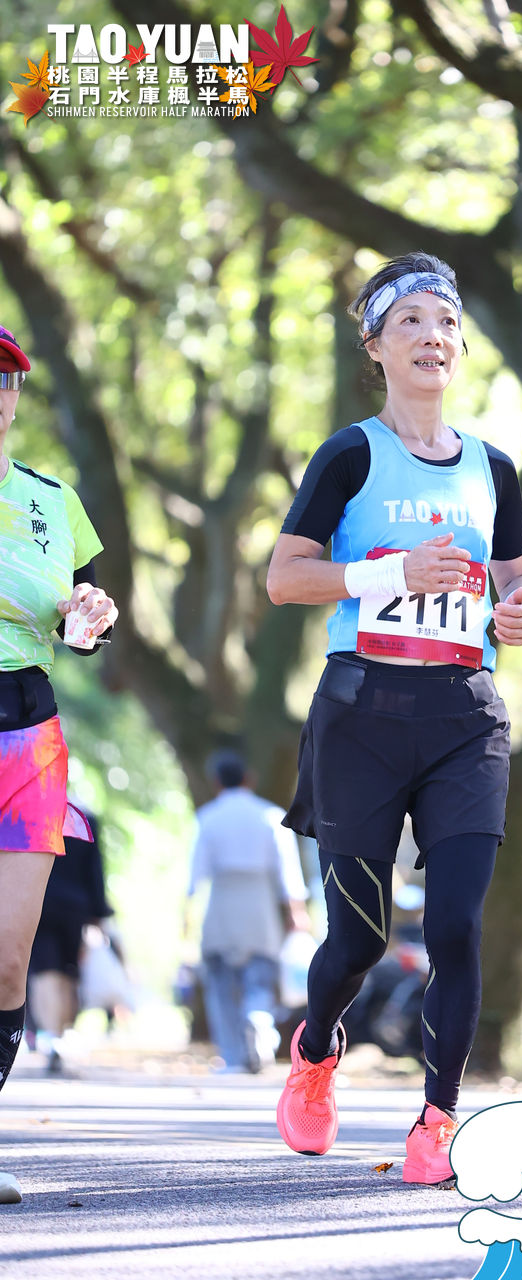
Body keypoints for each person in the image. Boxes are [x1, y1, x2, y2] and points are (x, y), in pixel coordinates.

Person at [266, 252, 522, 1184]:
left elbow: (518, 577)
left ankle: (438, 1120)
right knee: (359, 938)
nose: (433, 337)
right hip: (363, 716)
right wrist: (388, 573)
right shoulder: (350, 454)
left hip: (465, 715)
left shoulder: (493, 468)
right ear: (376, 347)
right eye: (411, 322)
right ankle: (315, 1051)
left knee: (457, 926)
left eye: (447, 322)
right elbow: (284, 577)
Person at [0, 325, 118, 1203]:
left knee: (9, 956)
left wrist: (90, 618)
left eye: (5, 380)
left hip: (27, 729)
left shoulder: (53, 500)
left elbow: (84, 616)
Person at [186, 750, 311, 1073]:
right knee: (260, 977)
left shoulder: (208, 817)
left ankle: (232, 1056)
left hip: (222, 903)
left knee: (220, 983)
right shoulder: (271, 816)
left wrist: (186, 913)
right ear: (248, 779)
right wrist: (296, 911)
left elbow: (194, 875)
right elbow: (288, 872)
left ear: (216, 782)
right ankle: (259, 1020)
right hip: (259, 906)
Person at [27, 810, 114, 1074]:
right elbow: (95, 870)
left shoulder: (32, 813)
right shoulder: (84, 819)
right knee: (68, 975)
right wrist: (99, 912)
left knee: (44, 973)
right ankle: (59, 1037)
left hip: (39, 903)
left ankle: (51, 1039)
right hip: (75, 909)